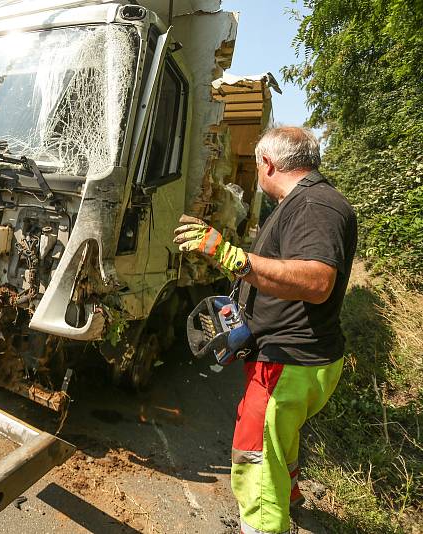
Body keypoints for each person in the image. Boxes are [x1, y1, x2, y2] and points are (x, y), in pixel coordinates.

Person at [173, 126, 357, 534]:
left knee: (255, 457)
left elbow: (316, 281)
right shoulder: (304, 203)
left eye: (256, 164)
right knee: (280, 444)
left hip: (288, 362)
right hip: (298, 362)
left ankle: (264, 526)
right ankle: (291, 498)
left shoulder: (315, 205)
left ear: (268, 163)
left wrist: (230, 256)